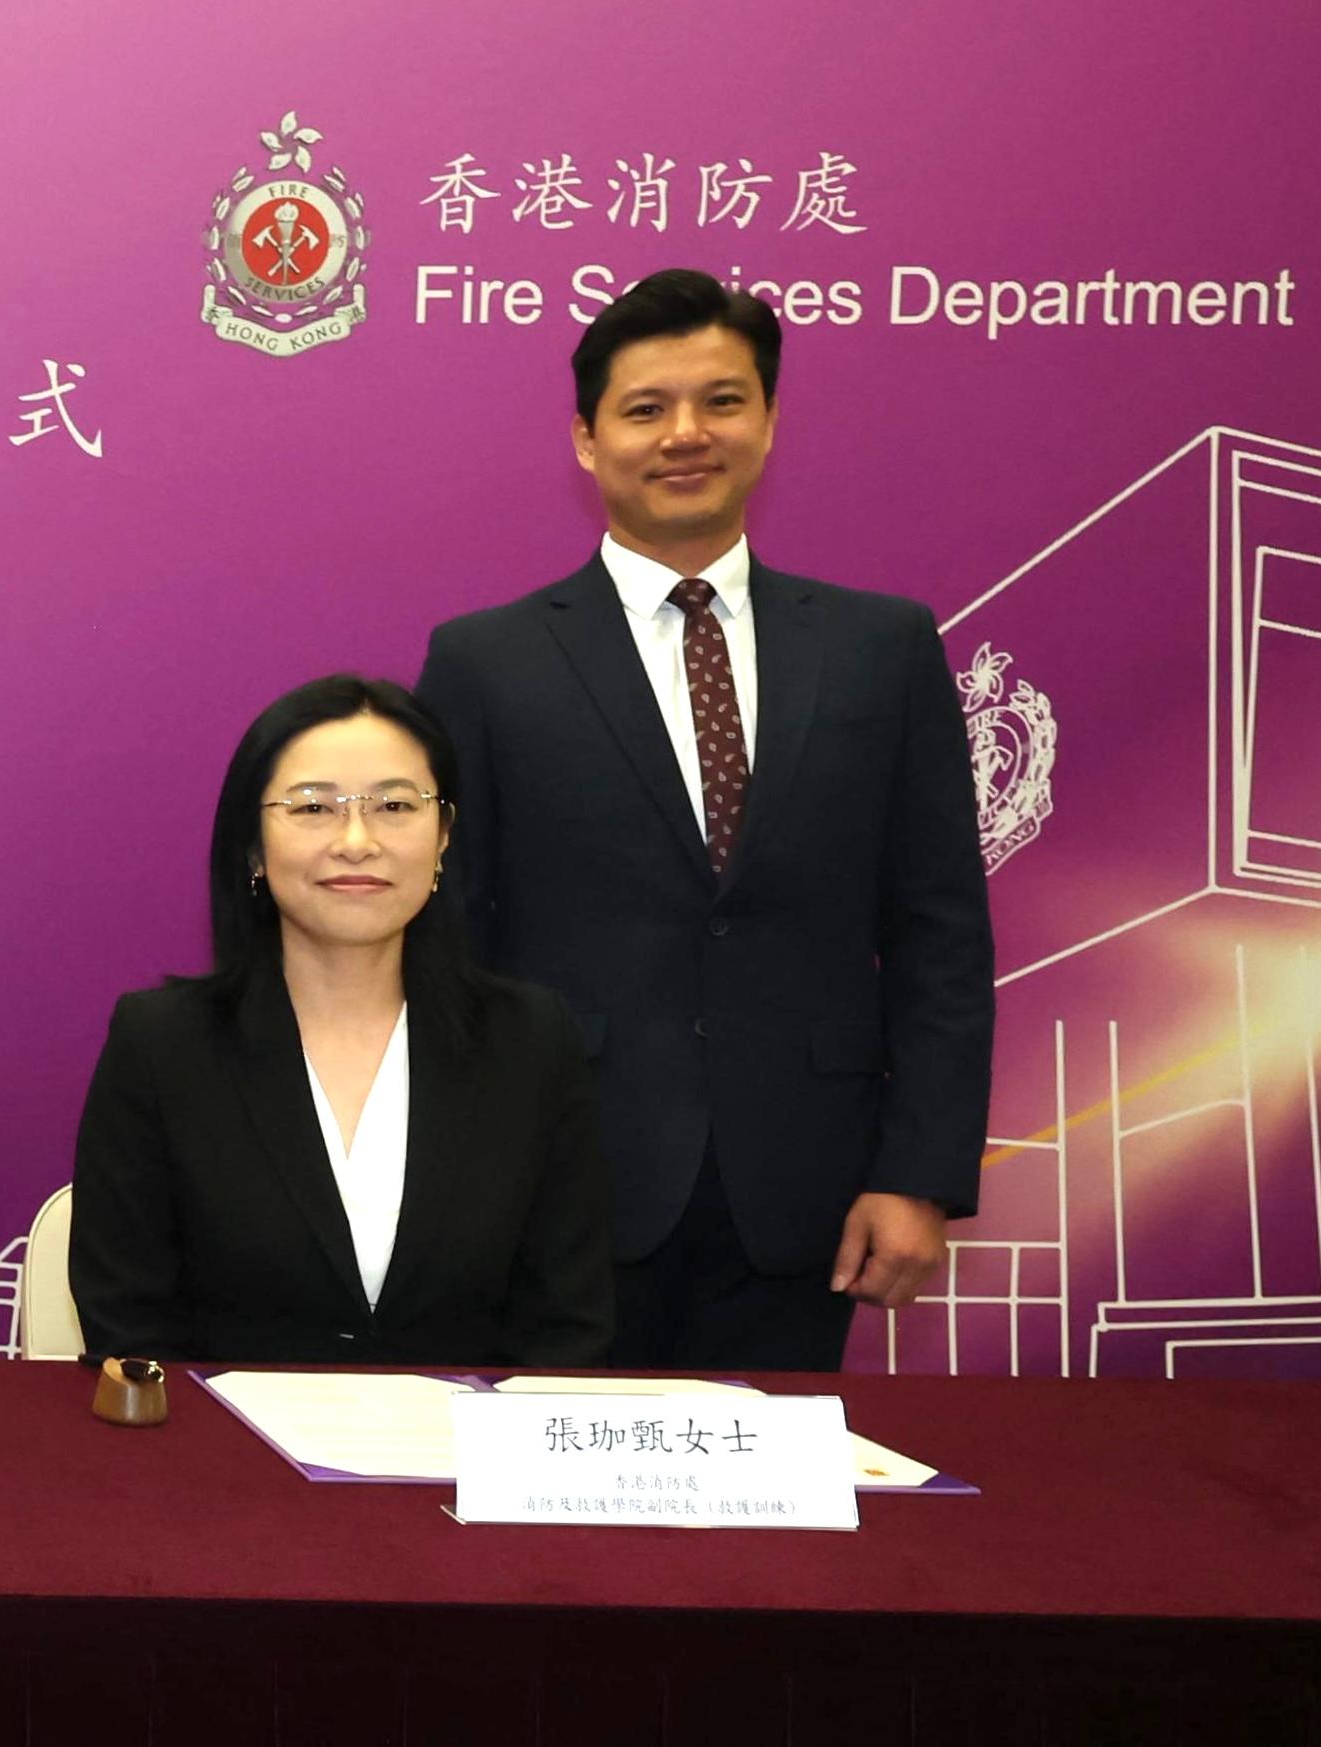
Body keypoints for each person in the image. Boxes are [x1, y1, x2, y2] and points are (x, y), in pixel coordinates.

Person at [413, 268, 993, 1372]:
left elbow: (939, 931)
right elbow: (449, 941)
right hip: (558, 1190)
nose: (687, 433)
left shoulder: (883, 648)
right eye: (645, 408)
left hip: (807, 1198)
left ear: (770, 422)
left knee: (773, 1537)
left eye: (723, 401)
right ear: (587, 441)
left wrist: (918, 1173)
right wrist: (463, 1178)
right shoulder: (485, 661)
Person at [69, 674, 610, 1367]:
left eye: (393, 804)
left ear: (444, 836)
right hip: (225, 1461)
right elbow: (128, 1322)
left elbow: (568, 1324)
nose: (357, 841)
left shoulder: (531, 1041)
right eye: (313, 808)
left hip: (464, 1466)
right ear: (253, 848)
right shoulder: (162, 1044)